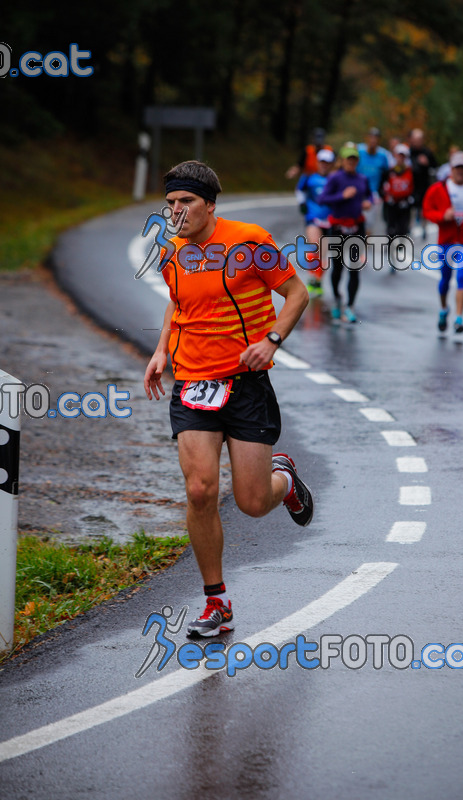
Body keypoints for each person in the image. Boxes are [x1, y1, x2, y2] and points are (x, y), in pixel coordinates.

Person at [144, 161, 313, 638]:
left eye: (187, 203)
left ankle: (284, 475)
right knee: (200, 490)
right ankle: (216, 601)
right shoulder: (171, 249)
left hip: (245, 382)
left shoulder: (250, 242)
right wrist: (161, 350)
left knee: (254, 502)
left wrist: (272, 340)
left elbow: (297, 294)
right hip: (193, 381)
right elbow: (178, 303)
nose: (177, 212)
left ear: (210, 205)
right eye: (171, 203)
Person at [423, 151, 463, 334]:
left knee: (462, 276)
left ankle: (459, 318)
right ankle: (443, 309)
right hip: (446, 241)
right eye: (457, 168)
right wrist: (442, 216)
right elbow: (427, 210)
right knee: (445, 280)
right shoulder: (439, 188)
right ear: (451, 169)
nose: (460, 171)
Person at [319, 143, 372, 322]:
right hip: (338, 229)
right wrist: (342, 196)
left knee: (355, 268)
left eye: (354, 159)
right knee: (338, 268)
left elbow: (370, 195)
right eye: (348, 159)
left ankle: (350, 306)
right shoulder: (335, 178)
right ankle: (337, 298)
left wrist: (368, 202)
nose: (351, 162)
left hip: (357, 227)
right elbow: (322, 198)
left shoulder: (362, 179)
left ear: (357, 161)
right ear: (342, 160)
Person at [295, 148, 336, 294]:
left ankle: (318, 281)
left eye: (328, 162)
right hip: (313, 217)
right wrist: (302, 204)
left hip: (330, 220)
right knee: (314, 245)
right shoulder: (309, 178)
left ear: (332, 164)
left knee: (323, 253)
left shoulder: (335, 179)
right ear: (318, 163)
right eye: (322, 162)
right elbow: (300, 190)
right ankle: (312, 277)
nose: (325, 165)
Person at [380, 144, 415, 272]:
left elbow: (415, 186)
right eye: (398, 155)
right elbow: (382, 186)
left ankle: (399, 247)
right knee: (391, 231)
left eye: (403, 156)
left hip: (404, 205)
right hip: (391, 205)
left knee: (402, 231)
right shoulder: (389, 171)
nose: (400, 158)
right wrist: (385, 196)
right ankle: (392, 260)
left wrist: (412, 198)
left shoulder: (410, 171)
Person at [357, 127, 390, 233]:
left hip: (373, 193)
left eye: (376, 138)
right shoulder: (358, 150)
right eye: (371, 137)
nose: (373, 141)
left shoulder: (383, 155)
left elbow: (387, 173)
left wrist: (382, 191)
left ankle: (366, 248)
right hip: (356, 192)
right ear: (367, 138)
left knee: (368, 224)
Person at [409, 128, 438, 239]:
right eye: (415, 139)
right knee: (411, 208)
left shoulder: (427, 152)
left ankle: (423, 227)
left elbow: (435, 167)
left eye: (419, 139)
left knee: (423, 208)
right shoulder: (408, 152)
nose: (417, 142)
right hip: (411, 185)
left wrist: (427, 163)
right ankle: (410, 229)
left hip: (424, 185)